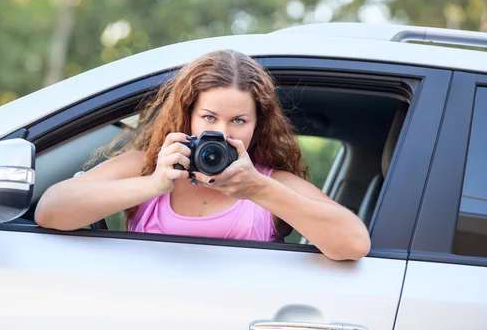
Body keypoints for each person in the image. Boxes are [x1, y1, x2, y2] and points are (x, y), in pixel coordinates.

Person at [35, 49, 371, 261]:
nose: (222, 133)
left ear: (257, 125)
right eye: (209, 117)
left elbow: (354, 243)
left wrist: (258, 190)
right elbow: (51, 212)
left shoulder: (271, 182)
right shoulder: (148, 167)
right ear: (188, 117)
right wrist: (153, 185)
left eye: (239, 120)